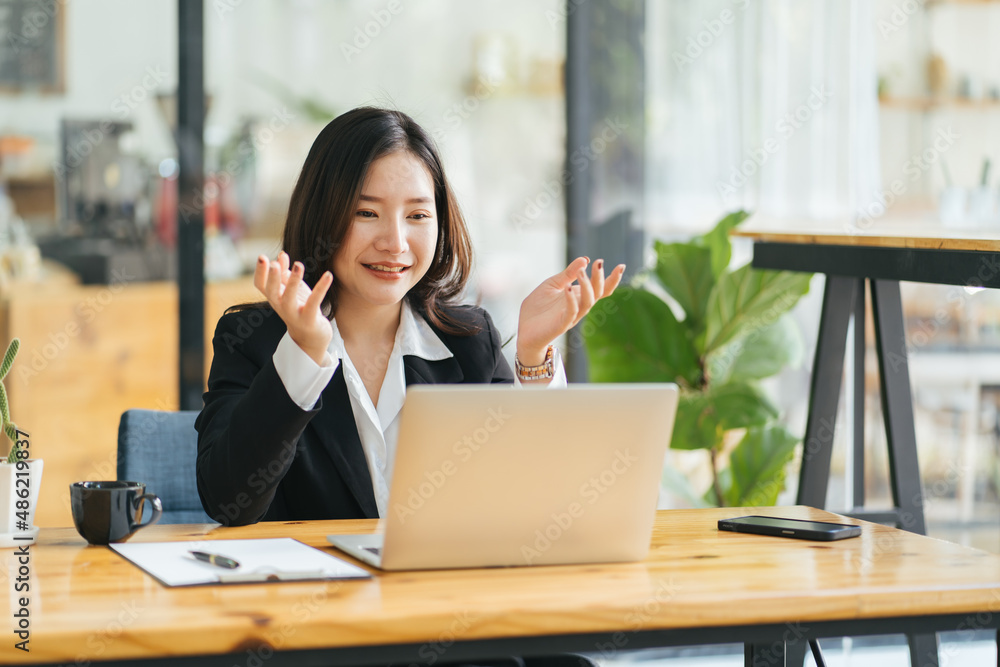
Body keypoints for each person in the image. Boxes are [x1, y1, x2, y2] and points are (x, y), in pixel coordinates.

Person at [195, 106, 624, 527]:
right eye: (367, 213)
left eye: (417, 215)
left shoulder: (470, 343)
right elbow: (230, 500)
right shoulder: (252, 339)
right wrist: (304, 352)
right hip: (314, 594)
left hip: (440, 595)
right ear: (321, 213)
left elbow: (539, 500)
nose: (395, 242)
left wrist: (533, 355)